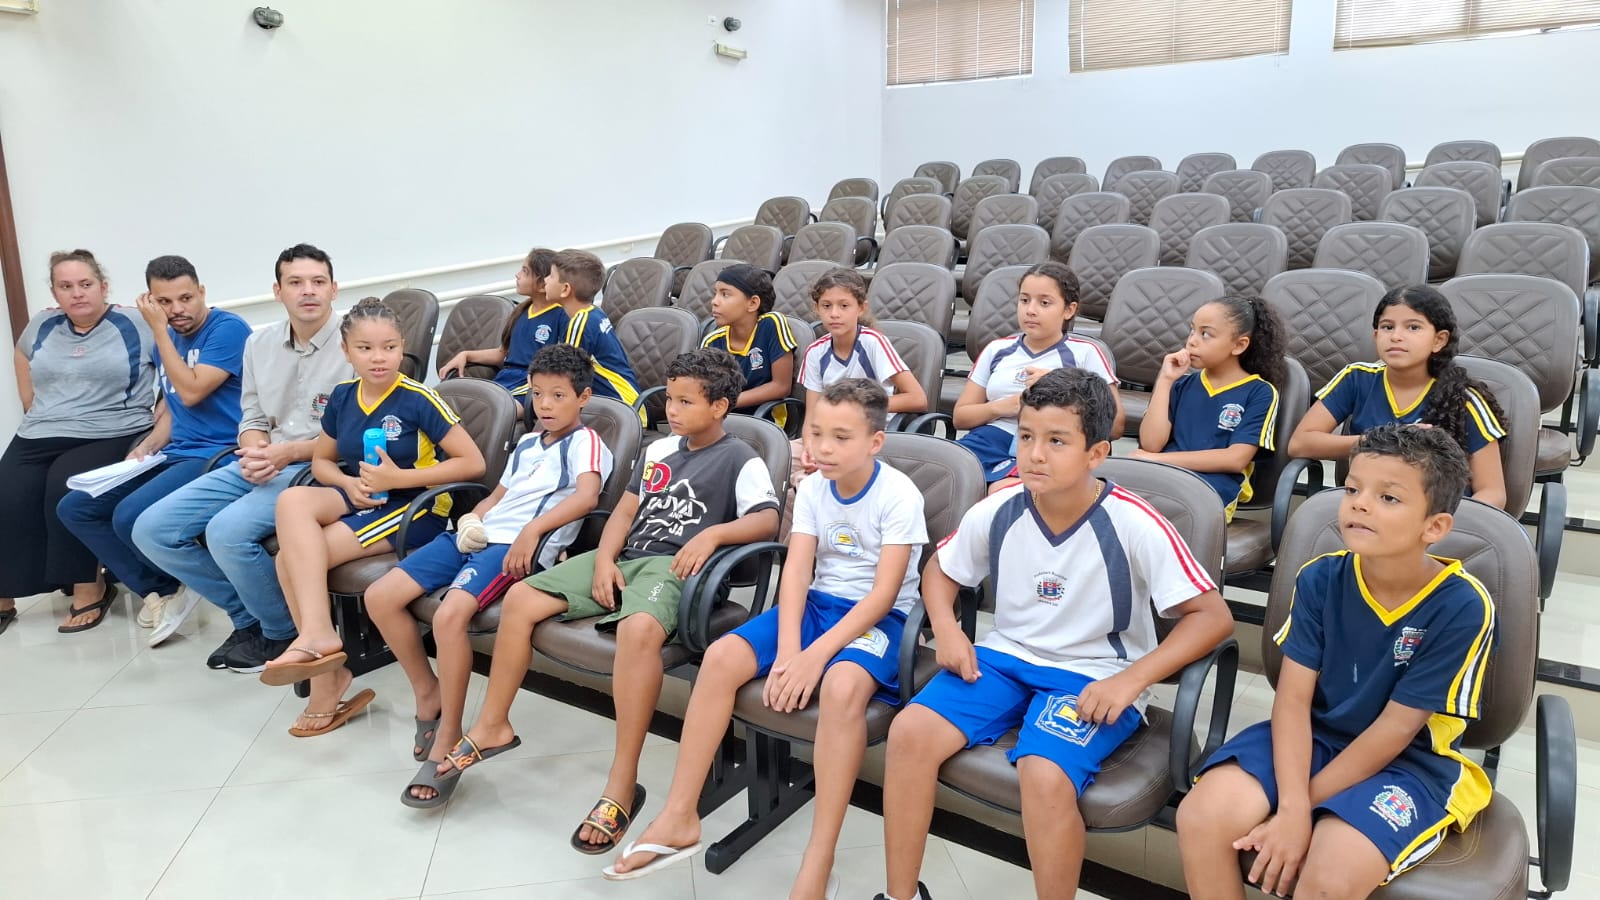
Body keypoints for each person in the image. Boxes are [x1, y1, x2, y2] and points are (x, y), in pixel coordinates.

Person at [878, 367, 1233, 900]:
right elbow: (941, 571)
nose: (1035, 455)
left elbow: (1212, 616)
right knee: (909, 734)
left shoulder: (1135, 522)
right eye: (1026, 437)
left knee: (1044, 773)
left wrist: (1131, 681)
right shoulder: (999, 507)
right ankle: (900, 895)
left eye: (1057, 441)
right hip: (1004, 659)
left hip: (1093, 675)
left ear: (1097, 454)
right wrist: (948, 631)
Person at [432, 348, 779, 859]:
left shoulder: (740, 457)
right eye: (670, 399)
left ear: (721, 406)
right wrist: (603, 560)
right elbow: (625, 512)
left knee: (639, 630)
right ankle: (493, 725)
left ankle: (621, 781)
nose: (672, 410)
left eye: (686, 402)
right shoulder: (661, 449)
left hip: (678, 567)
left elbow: (766, 520)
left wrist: (714, 535)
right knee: (523, 596)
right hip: (628, 558)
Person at [606, 379, 927, 898]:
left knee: (842, 687)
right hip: (818, 605)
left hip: (879, 619)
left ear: (875, 442)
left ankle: (817, 860)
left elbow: (884, 595)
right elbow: (796, 572)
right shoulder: (816, 487)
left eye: (841, 437)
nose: (823, 448)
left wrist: (813, 658)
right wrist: (791, 649)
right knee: (722, 657)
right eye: (816, 433)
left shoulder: (899, 494)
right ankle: (679, 814)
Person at [1177, 424, 1495, 899]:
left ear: (1434, 527)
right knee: (1202, 817)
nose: (1359, 504)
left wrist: (1297, 811)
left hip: (1409, 761)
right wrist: (1292, 806)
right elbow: (1292, 701)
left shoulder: (1463, 605)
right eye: (1352, 489)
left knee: (1329, 875)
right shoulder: (1320, 577)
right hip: (1315, 734)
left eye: (1388, 498)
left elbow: (1396, 730)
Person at [368, 344, 612, 805]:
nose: (544, 405)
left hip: (515, 549)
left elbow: (586, 498)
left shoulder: (586, 443)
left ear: (583, 397)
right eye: (537, 394)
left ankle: (451, 733)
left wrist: (532, 532)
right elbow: (497, 496)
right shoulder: (527, 443)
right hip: (481, 538)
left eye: (558, 395)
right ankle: (429, 694)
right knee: (380, 596)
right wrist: (472, 519)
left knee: (448, 617)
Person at [258, 298, 486, 737]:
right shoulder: (344, 396)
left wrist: (400, 477)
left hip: (414, 507)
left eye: (389, 347)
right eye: (365, 348)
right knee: (291, 501)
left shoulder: (418, 398)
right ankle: (322, 641)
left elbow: (473, 463)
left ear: (402, 348)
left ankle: (327, 671)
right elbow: (323, 461)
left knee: (288, 561)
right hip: (364, 495)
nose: (378, 357)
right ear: (346, 351)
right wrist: (346, 484)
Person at [132, 244, 353, 670]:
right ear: (277, 291)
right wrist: (255, 449)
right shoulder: (259, 344)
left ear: (334, 289)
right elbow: (251, 414)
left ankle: (280, 632)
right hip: (263, 460)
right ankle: (251, 617)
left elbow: (357, 435)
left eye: (318, 282)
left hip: (320, 467)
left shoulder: (355, 343)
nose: (308, 291)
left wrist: (286, 452)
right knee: (152, 530)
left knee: (226, 532)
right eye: (295, 282)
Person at [57, 255, 251, 638]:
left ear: (202, 292)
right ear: (150, 300)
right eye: (165, 302)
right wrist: (147, 445)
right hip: (177, 451)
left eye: (186, 298)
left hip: (220, 453)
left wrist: (160, 331)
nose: (177, 309)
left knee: (127, 515)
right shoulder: (168, 334)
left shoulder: (227, 329)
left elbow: (192, 391)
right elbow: (176, 407)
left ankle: (213, 596)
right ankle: (163, 590)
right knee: (76, 508)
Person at [0, 250, 157, 634]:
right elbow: (22, 355)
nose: (77, 293)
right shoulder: (43, 323)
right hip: (42, 429)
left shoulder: (135, 323)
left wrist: (157, 428)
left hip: (112, 428)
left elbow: (172, 364)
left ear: (103, 286)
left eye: (85, 284)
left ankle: (89, 586)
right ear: (55, 292)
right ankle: (4, 593)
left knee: (63, 487)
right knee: (8, 492)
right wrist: (30, 404)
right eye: (66, 286)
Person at [1286, 284, 1508, 509]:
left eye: (1413, 327)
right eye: (1387, 327)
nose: (1396, 336)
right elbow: (1300, 443)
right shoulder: (1356, 378)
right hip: (1366, 510)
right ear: (1375, 335)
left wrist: (1448, 524)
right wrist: (1381, 441)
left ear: (1439, 340)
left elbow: (1493, 492)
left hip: (1436, 519)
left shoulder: (1464, 399)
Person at [953, 261, 1122, 492]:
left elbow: (1115, 425)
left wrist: (1061, 383)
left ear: (1069, 310)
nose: (1031, 310)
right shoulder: (997, 349)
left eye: (1044, 303)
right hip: (990, 440)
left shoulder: (1086, 353)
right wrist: (1004, 406)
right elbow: (961, 417)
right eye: (1024, 300)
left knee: (1003, 491)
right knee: (945, 476)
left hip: (1046, 446)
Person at [1132, 294, 1285, 521]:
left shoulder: (1260, 392)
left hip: (1213, 489)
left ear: (1239, 345)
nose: (1192, 341)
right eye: (1192, 330)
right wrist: (1165, 380)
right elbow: (1151, 444)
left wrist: (1157, 460)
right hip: (1165, 477)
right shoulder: (1181, 384)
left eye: (1205, 334)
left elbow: (1235, 459)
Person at [436, 247, 567, 397]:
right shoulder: (522, 311)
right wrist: (466, 355)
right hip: (504, 380)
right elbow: (502, 353)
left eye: (525, 271)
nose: (517, 275)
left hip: (531, 386)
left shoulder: (561, 315)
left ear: (543, 285)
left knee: (498, 409)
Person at [701, 263, 798, 424]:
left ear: (752, 303)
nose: (714, 301)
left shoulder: (772, 324)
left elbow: (781, 386)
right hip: (722, 419)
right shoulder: (712, 341)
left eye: (725, 294)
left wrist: (727, 403)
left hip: (765, 421)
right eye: (715, 293)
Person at [545, 249, 639, 407]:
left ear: (565, 289)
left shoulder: (579, 324)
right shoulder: (594, 313)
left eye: (551, 276)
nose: (546, 280)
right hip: (627, 402)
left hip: (620, 408)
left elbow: (565, 377)